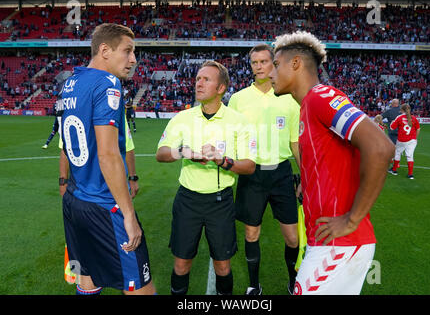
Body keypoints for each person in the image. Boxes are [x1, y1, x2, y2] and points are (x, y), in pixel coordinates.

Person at [269, 30, 394, 295]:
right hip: (330, 241)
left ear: (296, 63)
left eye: (276, 64)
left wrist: (352, 219)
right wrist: (310, 184)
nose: (270, 73)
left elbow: (381, 147)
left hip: (340, 242)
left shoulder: (320, 97)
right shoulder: (306, 106)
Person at [60, 23, 156, 295]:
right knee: (140, 287)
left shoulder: (72, 82)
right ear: (104, 50)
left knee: (87, 278)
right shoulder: (107, 83)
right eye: (127, 51)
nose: (133, 60)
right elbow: (108, 153)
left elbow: (67, 145)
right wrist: (128, 214)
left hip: (75, 199)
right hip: (104, 203)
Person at [156, 60, 256, 295]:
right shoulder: (182, 117)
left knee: (222, 264)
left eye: (206, 79)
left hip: (220, 202)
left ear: (221, 88)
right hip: (187, 200)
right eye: (198, 78)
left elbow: (249, 166)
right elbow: (161, 153)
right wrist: (182, 152)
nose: (198, 83)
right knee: (181, 263)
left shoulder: (238, 121)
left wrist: (221, 160)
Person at [228, 44, 301, 295]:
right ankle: (253, 285)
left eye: (263, 62)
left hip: (281, 173)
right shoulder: (237, 100)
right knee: (251, 234)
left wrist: (305, 176)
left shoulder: (289, 99)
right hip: (252, 173)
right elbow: (231, 138)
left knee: (293, 238)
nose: (258, 67)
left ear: (274, 63)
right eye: (254, 63)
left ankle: (293, 281)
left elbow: (295, 142)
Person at [388, 103, 421, 179]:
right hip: (412, 140)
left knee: (397, 153)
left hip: (402, 140)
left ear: (402, 110)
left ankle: (394, 170)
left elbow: (392, 127)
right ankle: (410, 174)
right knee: (410, 156)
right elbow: (418, 129)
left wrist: (392, 122)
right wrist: (415, 138)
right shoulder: (414, 118)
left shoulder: (399, 117)